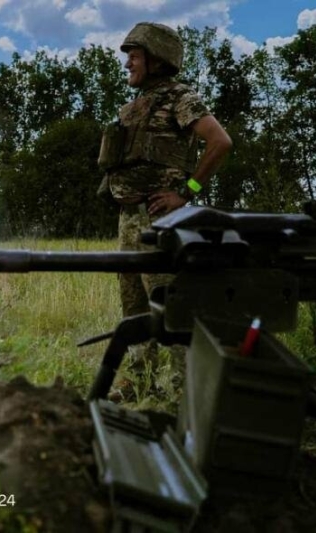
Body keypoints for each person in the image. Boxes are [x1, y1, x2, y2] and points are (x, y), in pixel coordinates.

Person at [97, 22, 232, 398]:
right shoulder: (131, 108)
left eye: (134, 57)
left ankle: (179, 393)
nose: (128, 65)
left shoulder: (179, 97)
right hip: (129, 218)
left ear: (156, 60)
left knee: (168, 307)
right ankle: (140, 383)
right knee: (134, 306)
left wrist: (185, 193)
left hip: (160, 221)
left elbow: (220, 142)